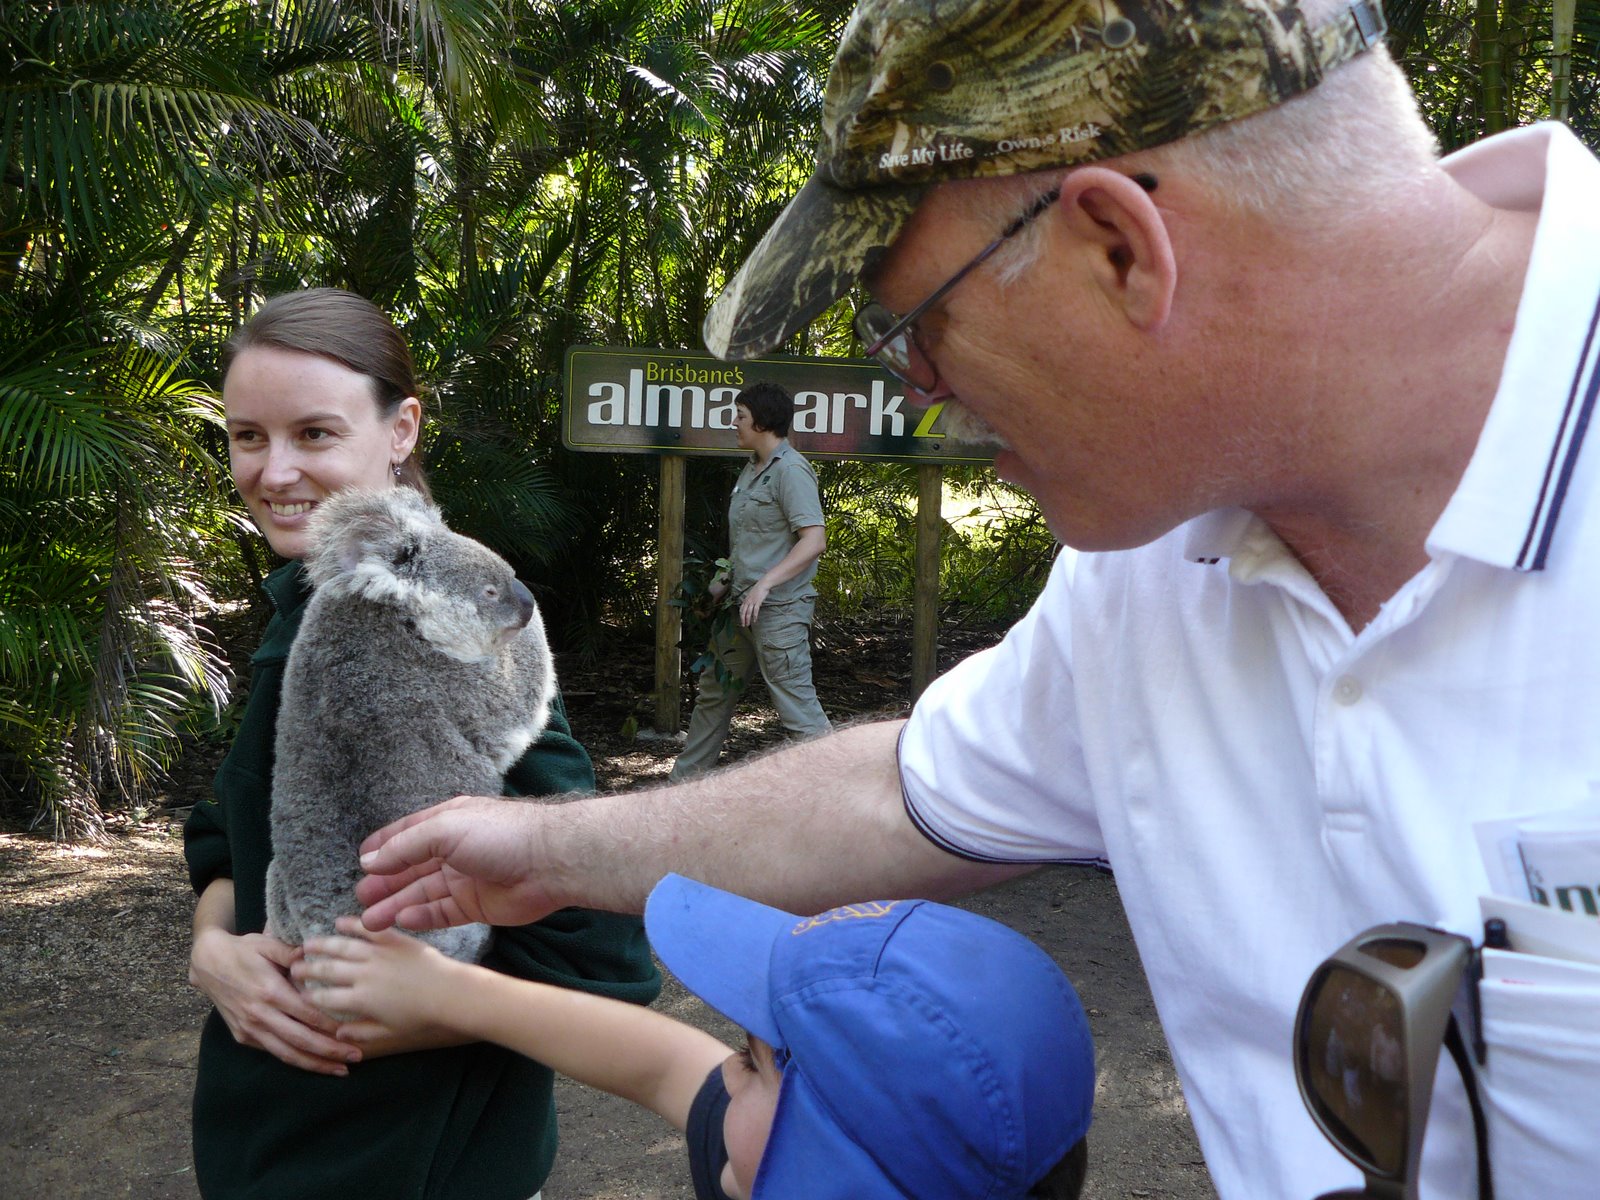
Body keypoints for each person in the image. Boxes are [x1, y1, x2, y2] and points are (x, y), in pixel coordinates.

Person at [351, 1, 1600, 1196]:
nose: (919, 394)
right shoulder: (1143, 568)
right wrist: (536, 849)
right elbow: (902, 791)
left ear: (1122, 247)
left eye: (913, 331)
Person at [183, 288, 660, 1199]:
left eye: (314, 434)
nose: (273, 470)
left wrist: (422, 1006)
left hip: (409, 1155)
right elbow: (230, 826)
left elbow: (599, 947)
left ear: (401, 429)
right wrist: (217, 951)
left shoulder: (452, 623)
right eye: (248, 436)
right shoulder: (318, 604)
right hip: (276, 1138)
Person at [296, 873, 1094, 1200]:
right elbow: (658, 1064)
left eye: (752, 1062)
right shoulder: (775, 1158)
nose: (724, 1072)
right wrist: (450, 991)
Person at [671, 382, 832, 780]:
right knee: (713, 696)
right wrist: (719, 585)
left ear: (761, 421)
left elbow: (814, 540)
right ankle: (681, 789)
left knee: (797, 708)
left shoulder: (792, 471)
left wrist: (765, 584)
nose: (734, 422)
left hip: (779, 612)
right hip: (738, 609)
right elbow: (748, 543)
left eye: (740, 415)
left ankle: (838, 789)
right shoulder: (751, 469)